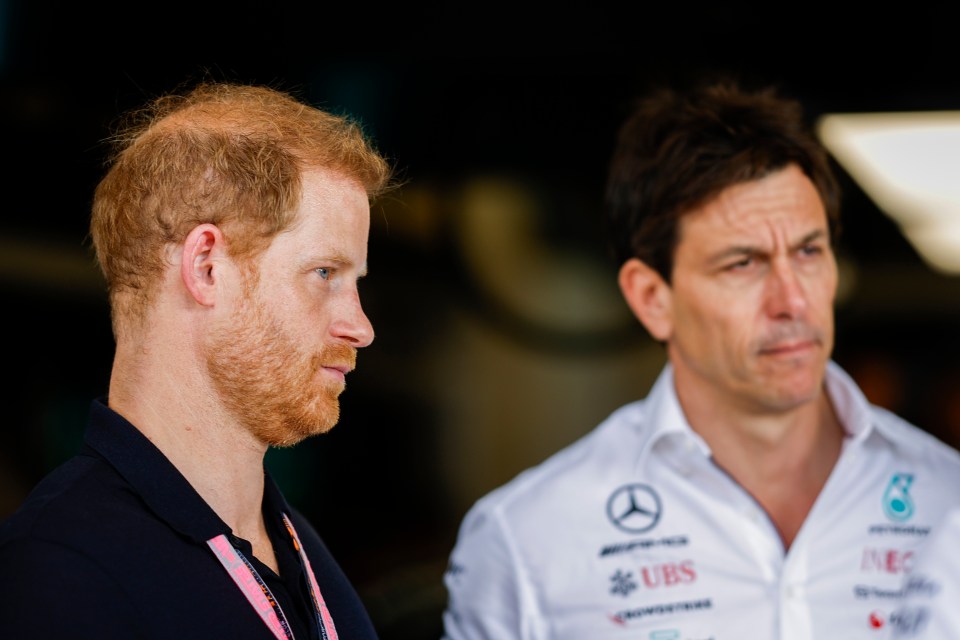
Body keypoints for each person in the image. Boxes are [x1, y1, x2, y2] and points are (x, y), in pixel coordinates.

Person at [440, 81, 960, 639]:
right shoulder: (526, 542)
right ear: (651, 299)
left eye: (809, 251)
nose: (793, 301)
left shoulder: (947, 497)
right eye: (743, 263)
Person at [0, 80, 393, 639]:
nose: (361, 328)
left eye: (355, 283)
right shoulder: (59, 570)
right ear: (206, 266)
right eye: (325, 274)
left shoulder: (302, 552)